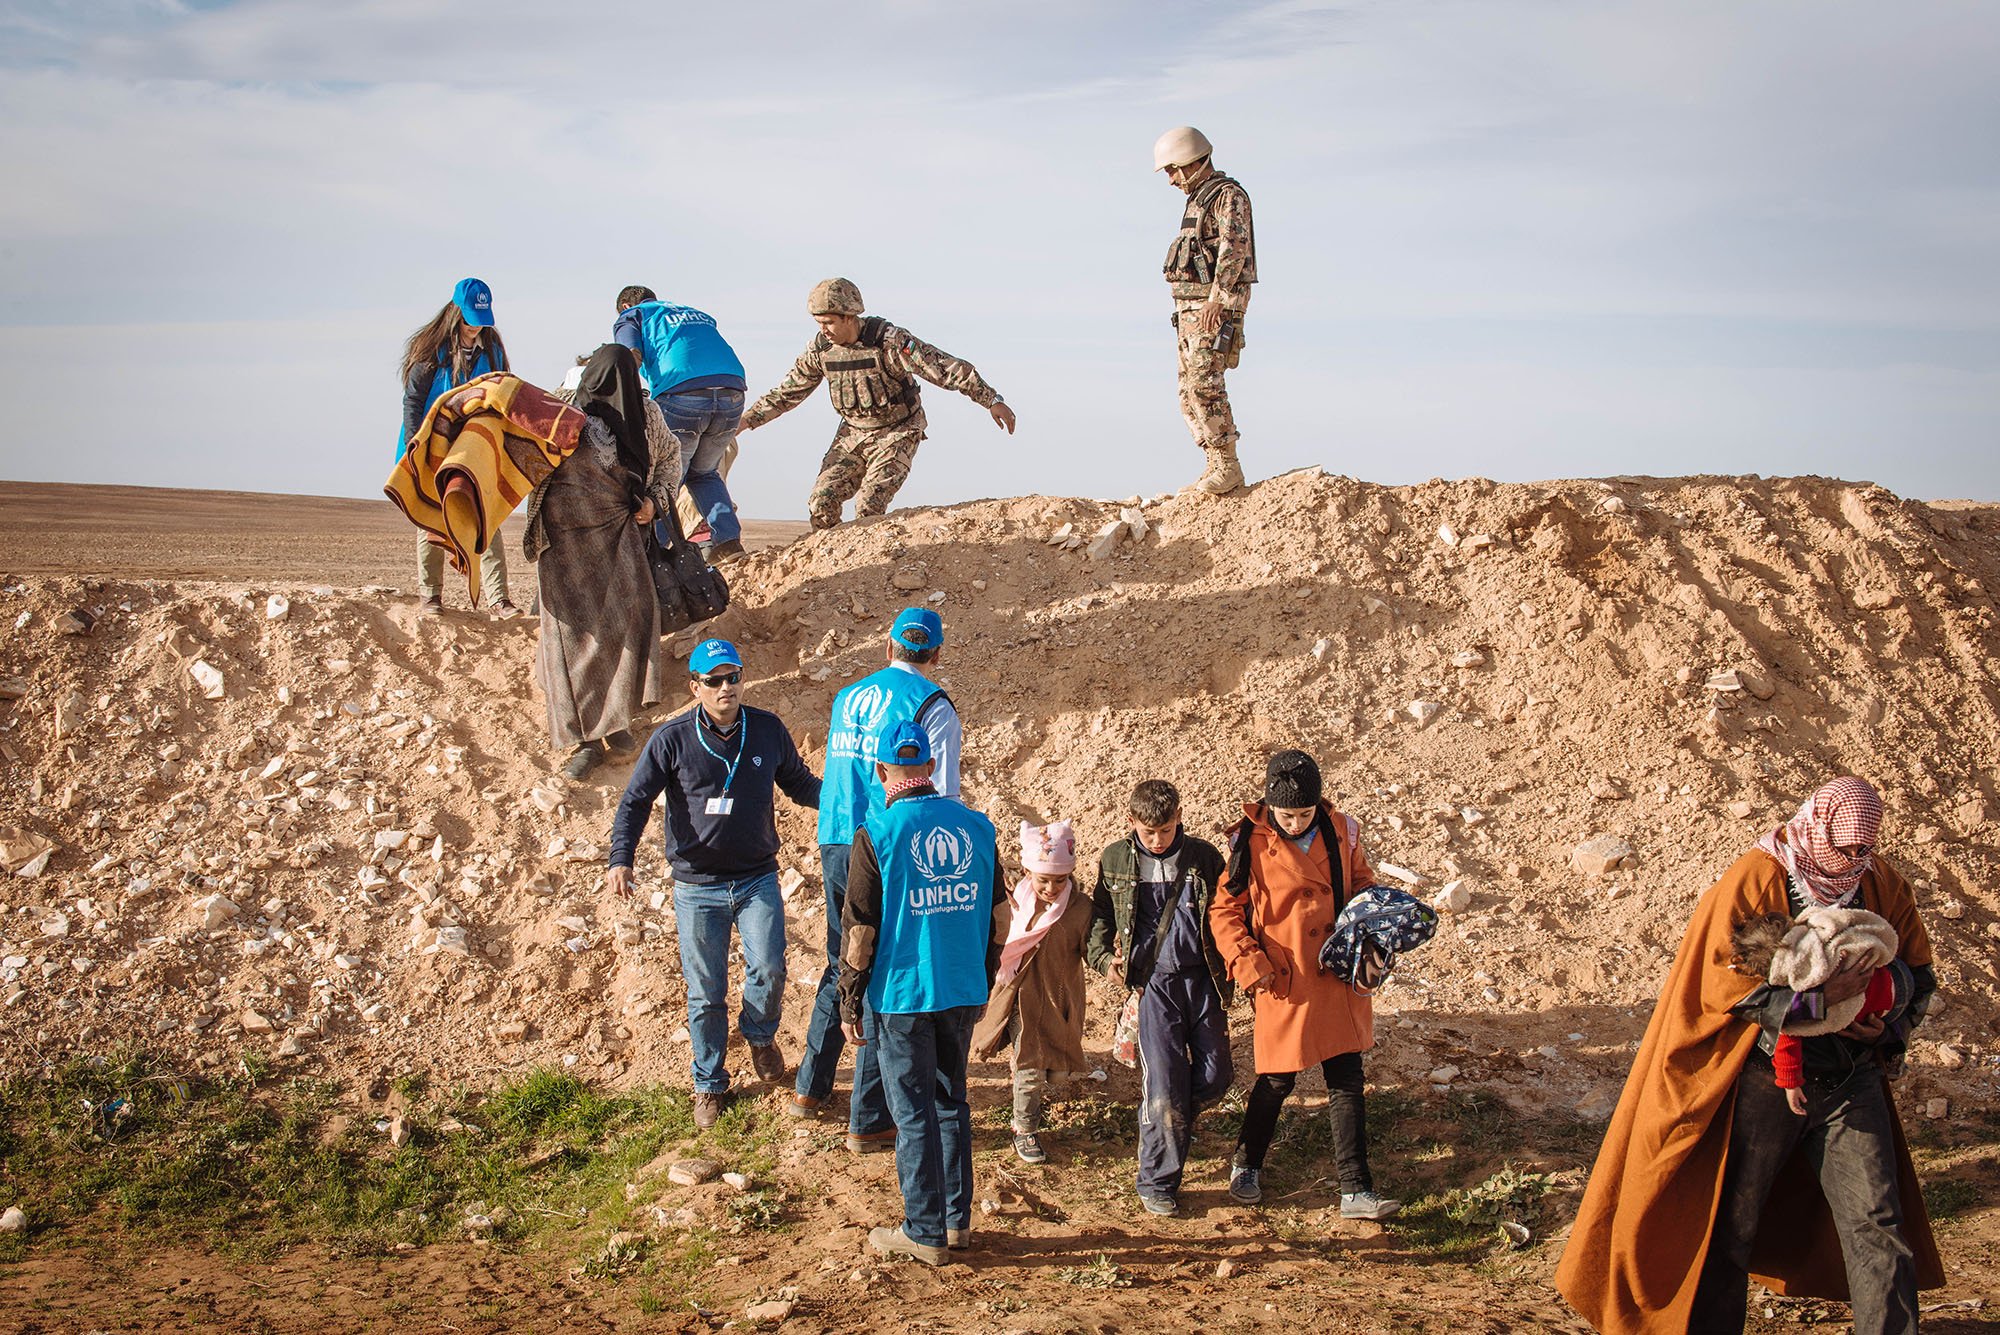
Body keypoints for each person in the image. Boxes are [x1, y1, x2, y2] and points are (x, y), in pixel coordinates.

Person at [1556, 777, 1943, 1334]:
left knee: (1876, 1220)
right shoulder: (1760, 876)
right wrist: (1818, 1000)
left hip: (1850, 1076)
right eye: (1846, 847)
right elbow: (1725, 989)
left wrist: (1883, 1026)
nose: (1855, 860)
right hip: (1763, 1079)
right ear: (1819, 825)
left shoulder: (1880, 883)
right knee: (1730, 1222)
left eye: (1865, 849)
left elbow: (1918, 971)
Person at [607, 638, 822, 1129]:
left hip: (756, 878)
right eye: (714, 680)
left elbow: (799, 783)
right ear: (695, 687)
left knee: (769, 969)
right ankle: (708, 1082)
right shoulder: (672, 738)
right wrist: (622, 858)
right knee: (705, 991)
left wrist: (845, 802)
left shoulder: (766, 729)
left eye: (734, 677)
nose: (726, 688)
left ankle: (760, 1036)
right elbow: (635, 800)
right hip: (697, 885)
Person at [790, 607, 963, 1155]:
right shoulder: (932, 706)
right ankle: (869, 1117)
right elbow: (944, 791)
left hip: (837, 833)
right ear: (934, 654)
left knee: (843, 958)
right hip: (886, 841)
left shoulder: (849, 695)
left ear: (888, 647)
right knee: (880, 966)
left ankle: (810, 1088)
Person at [1208, 750, 1401, 1220]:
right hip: (1284, 979)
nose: (1295, 823)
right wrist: (1249, 963)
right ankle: (1246, 1163)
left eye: (1304, 814)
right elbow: (1224, 911)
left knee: (1347, 1079)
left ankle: (1356, 1189)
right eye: (1287, 815)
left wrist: (1378, 921)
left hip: (1336, 975)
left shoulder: (1342, 830)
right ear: (1271, 805)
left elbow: (1361, 884)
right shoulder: (1246, 843)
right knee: (1277, 1078)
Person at [838, 719, 1001, 1266]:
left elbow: (859, 932)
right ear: (930, 768)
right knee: (952, 1102)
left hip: (902, 995)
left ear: (881, 771)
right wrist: (985, 974)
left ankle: (923, 1230)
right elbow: (1000, 916)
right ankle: (957, 1223)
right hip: (961, 988)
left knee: (912, 1115)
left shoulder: (877, 835)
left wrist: (848, 998)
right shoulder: (978, 827)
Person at [736, 278, 1016, 529]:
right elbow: (789, 390)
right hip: (853, 434)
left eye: (829, 322)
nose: (824, 330)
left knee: (869, 506)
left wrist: (991, 399)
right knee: (822, 503)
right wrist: (747, 420)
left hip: (898, 431)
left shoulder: (889, 341)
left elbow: (942, 367)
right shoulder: (821, 350)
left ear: (850, 316)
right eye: (819, 323)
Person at [526, 344, 683, 780]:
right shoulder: (560, 410)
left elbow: (670, 460)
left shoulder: (647, 414)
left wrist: (656, 501)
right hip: (563, 546)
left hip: (621, 536)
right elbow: (526, 462)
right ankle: (584, 741)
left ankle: (617, 724)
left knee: (625, 625)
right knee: (572, 640)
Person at [1087, 779, 1234, 1216]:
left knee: (1215, 1077)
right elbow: (1098, 915)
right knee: (1164, 1088)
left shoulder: (1205, 857)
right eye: (1148, 832)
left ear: (1179, 819)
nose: (1157, 840)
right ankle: (1156, 1180)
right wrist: (1101, 959)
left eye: (1165, 831)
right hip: (1153, 987)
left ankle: (1167, 1125)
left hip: (1204, 981)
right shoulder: (1115, 858)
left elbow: (1230, 913)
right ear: (1131, 822)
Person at [397, 277, 521, 617]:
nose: (475, 328)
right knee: (432, 515)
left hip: (474, 445)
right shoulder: (430, 349)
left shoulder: (492, 347)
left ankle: (498, 599)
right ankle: (431, 596)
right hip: (430, 443)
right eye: (470, 320)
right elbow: (413, 401)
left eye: (481, 321)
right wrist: (414, 446)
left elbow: (502, 391)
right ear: (455, 313)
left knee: (486, 515)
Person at [971, 820, 1092, 1166]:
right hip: (1012, 995)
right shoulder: (1011, 904)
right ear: (1027, 871)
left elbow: (1093, 947)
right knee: (1030, 1064)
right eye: (1044, 880)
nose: (1051, 888)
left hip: (1054, 998)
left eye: (1060, 880)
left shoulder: (1080, 910)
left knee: (1047, 1067)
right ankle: (1025, 1128)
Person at [613, 286, 752, 563]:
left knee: (667, 474)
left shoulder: (633, 315)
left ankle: (659, 551)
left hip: (683, 394)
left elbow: (630, 356)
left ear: (626, 304)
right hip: (732, 392)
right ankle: (727, 542)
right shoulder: (695, 313)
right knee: (704, 472)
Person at [1153, 126, 1256, 496]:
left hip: (1211, 306)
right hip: (1190, 307)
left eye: (1171, 169)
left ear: (1191, 161)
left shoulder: (1228, 196)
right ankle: (1214, 461)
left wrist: (1218, 299)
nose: (1170, 179)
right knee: (1187, 389)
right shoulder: (1198, 200)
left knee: (1204, 383)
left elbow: (1233, 248)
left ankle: (1228, 465)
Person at [1730, 905, 1899, 1116]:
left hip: (1886, 1009)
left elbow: (1788, 1032)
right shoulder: (1821, 932)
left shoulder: (1801, 980)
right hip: (1894, 985)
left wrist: (1790, 1082)